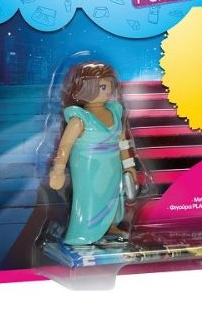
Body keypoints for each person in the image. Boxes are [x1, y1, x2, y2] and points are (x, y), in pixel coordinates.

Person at [49, 62, 137, 245]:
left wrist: (129, 166)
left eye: (109, 86)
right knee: (89, 197)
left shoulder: (114, 111)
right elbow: (65, 145)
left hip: (112, 164)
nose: (108, 91)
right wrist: (58, 170)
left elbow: (122, 142)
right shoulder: (80, 119)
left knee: (113, 196)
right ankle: (84, 233)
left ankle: (110, 227)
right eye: (102, 87)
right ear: (85, 88)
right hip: (88, 166)